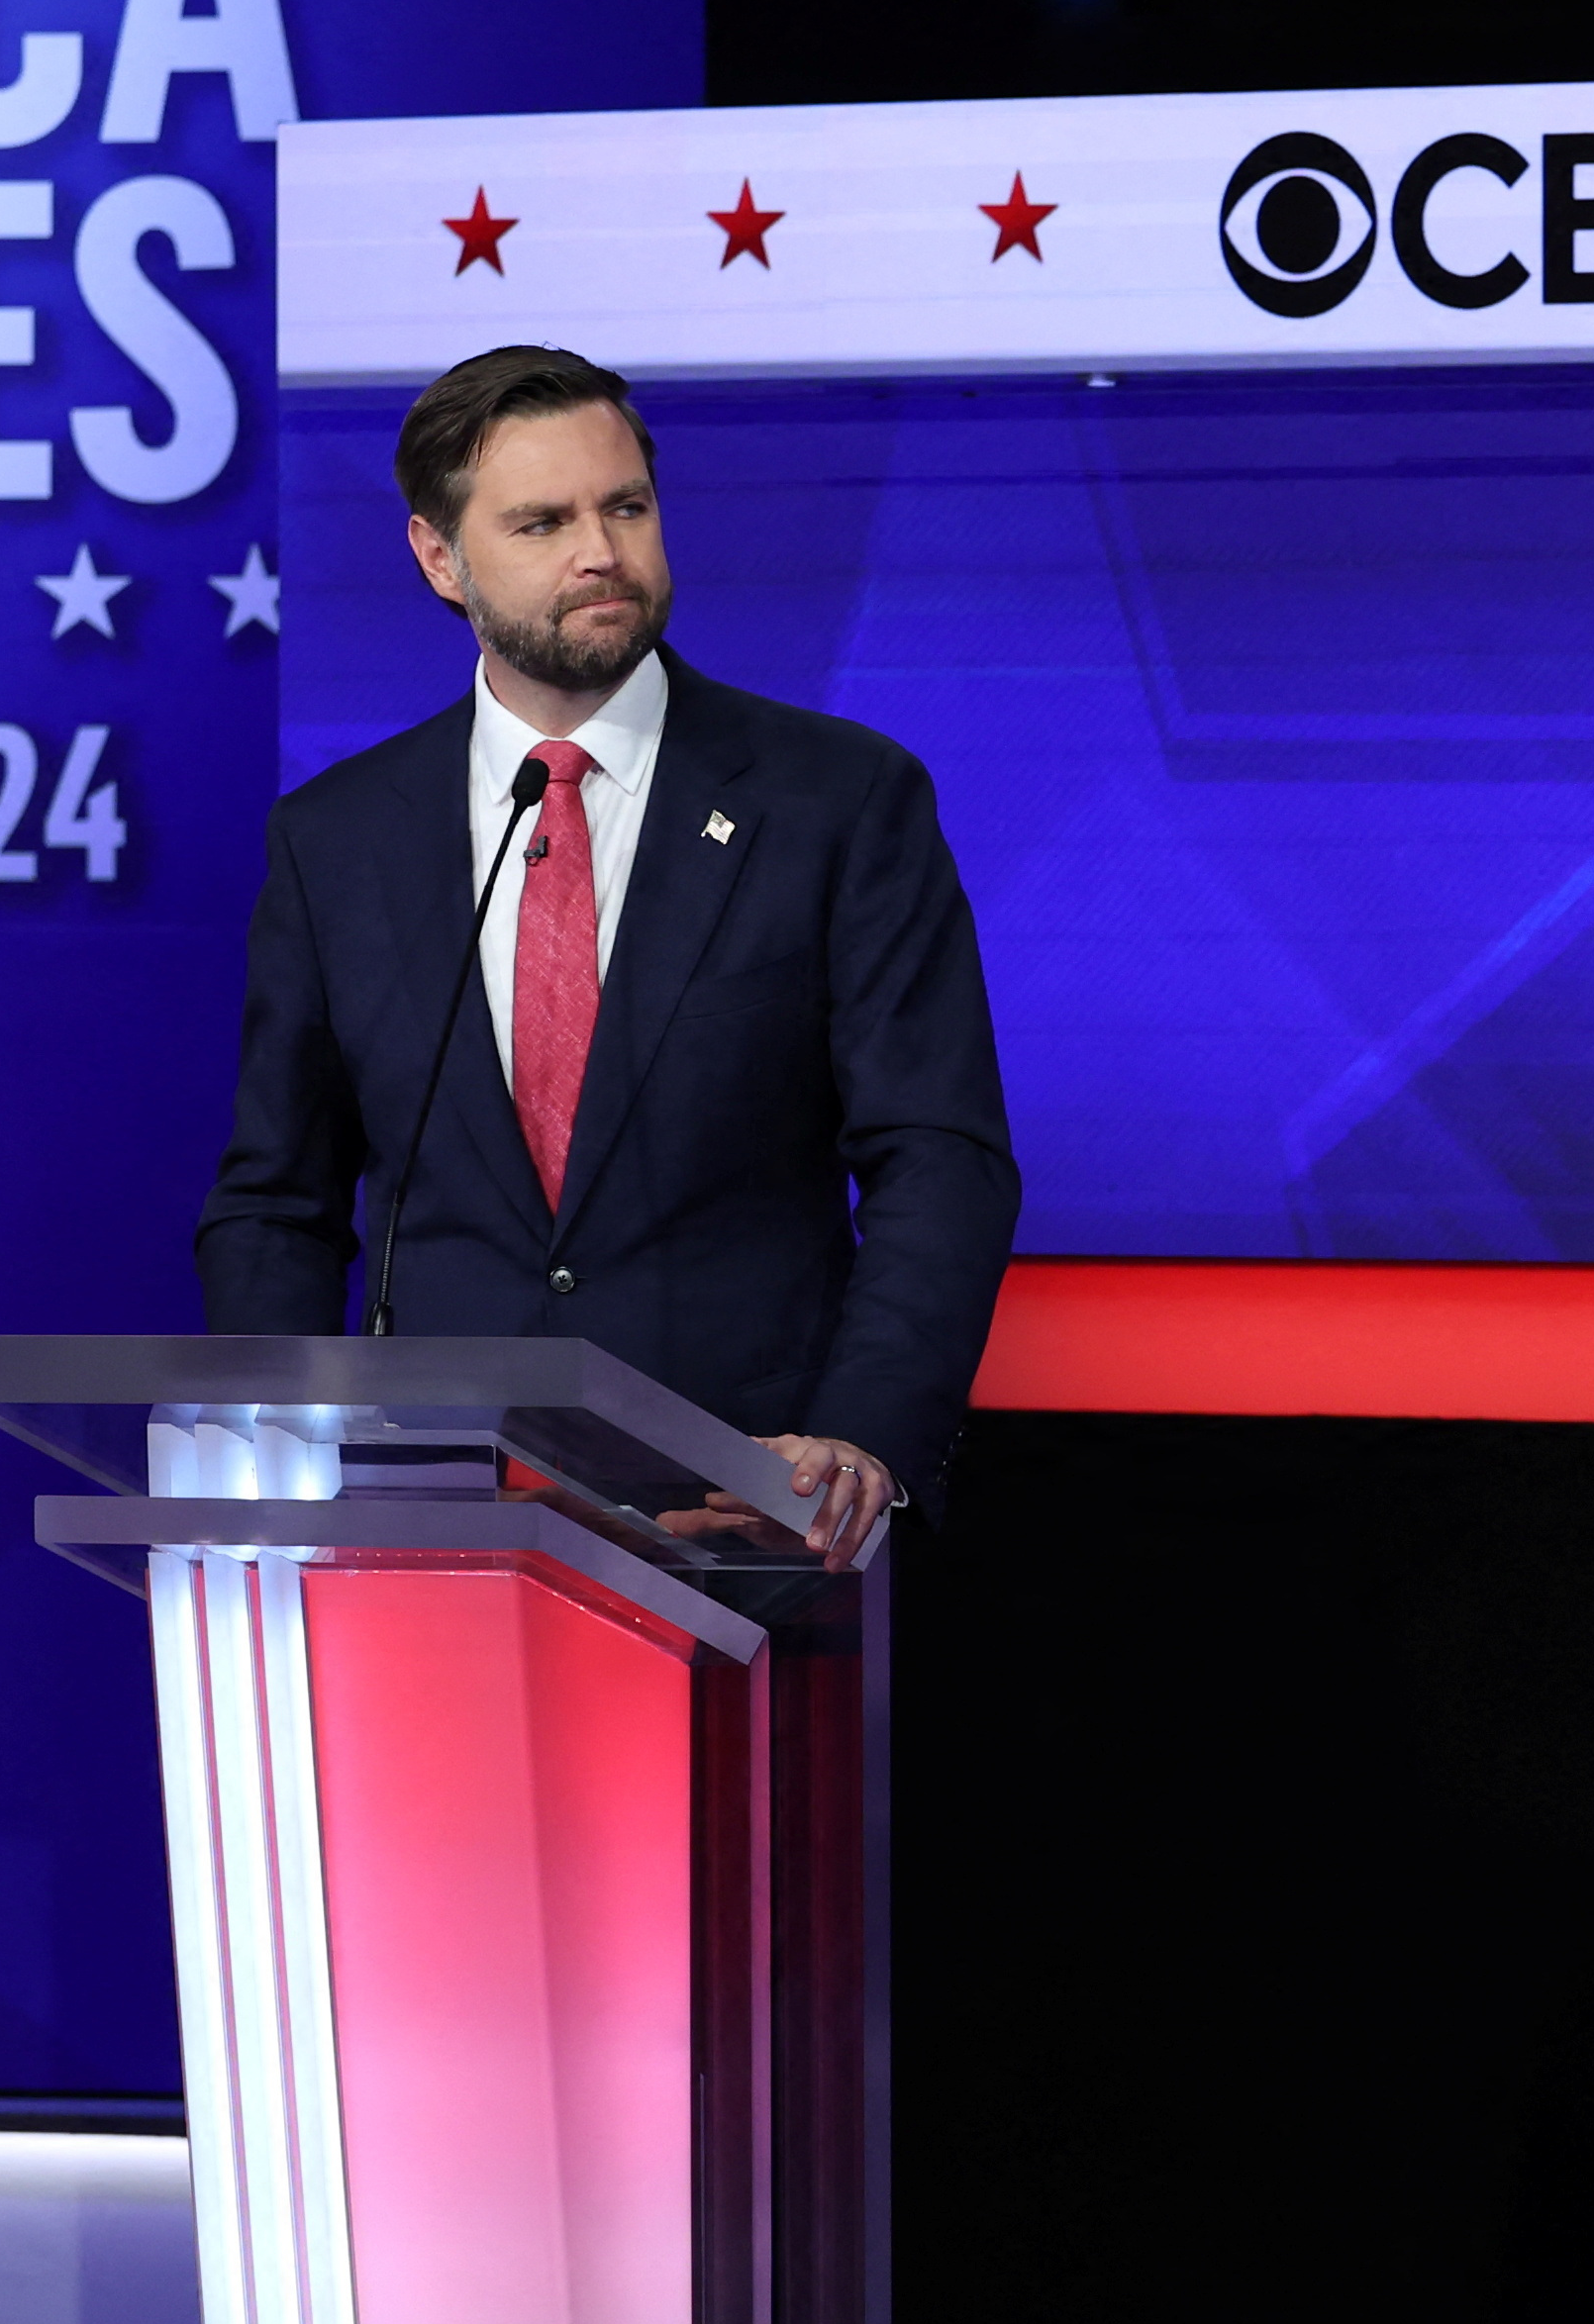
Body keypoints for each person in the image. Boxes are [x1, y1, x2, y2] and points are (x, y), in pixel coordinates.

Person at [198, 344, 1018, 1567]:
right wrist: (289, 1462)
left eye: (625, 507)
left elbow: (938, 1155)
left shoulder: (837, 800)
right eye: (543, 521)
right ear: (440, 558)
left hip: (758, 1527)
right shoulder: (339, 839)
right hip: (431, 1542)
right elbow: (276, 1203)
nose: (601, 552)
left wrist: (859, 1439)